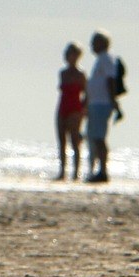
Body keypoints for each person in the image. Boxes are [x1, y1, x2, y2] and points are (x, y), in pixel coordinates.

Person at [85, 30, 124, 183]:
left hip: (102, 104)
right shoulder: (102, 59)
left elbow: (110, 80)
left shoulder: (107, 58)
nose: (92, 45)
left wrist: (113, 100)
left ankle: (103, 171)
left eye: (94, 42)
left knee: (99, 138)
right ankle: (97, 169)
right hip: (97, 103)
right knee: (94, 137)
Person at [57, 45, 88, 182]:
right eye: (69, 54)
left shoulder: (81, 74)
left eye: (74, 55)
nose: (71, 58)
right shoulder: (62, 73)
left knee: (75, 141)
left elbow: (87, 94)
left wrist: (84, 110)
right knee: (62, 140)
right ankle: (62, 171)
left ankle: (76, 172)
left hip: (75, 109)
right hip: (62, 107)